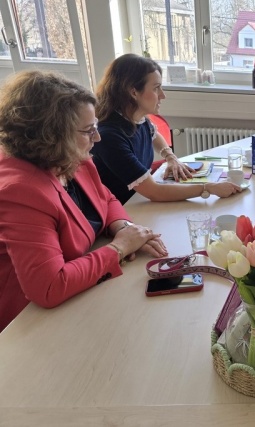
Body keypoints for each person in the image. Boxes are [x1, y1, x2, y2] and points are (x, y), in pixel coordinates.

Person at [0, 70, 167, 332]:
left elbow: (106, 198)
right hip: (28, 322)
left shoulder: (72, 156)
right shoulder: (21, 191)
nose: (97, 138)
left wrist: (124, 228)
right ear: (52, 135)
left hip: (82, 294)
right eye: (89, 131)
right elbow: (49, 286)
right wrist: (119, 248)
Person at [91, 54, 241, 204]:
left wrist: (171, 157)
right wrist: (207, 188)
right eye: (156, 88)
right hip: (123, 209)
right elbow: (155, 192)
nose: (163, 95)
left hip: (137, 201)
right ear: (134, 92)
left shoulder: (136, 118)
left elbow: (154, 135)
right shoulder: (110, 137)